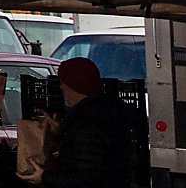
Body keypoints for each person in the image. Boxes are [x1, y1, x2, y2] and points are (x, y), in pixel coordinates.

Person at [19, 58, 145, 188]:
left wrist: (45, 177)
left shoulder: (89, 124)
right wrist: (59, 132)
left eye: (63, 83)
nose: (61, 87)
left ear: (74, 86)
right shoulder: (102, 114)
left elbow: (85, 180)